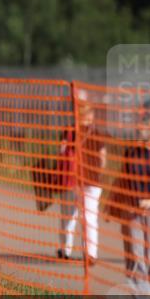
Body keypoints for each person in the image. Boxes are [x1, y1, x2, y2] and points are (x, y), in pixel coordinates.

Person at [56, 100, 105, 264]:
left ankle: (65, 250)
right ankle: (90, 254)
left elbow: (61, 152)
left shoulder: (68, 132)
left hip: (71, 178)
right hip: (92, 180)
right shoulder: (97, 133)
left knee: (68, 215)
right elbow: (103, 159)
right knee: (89, 217)